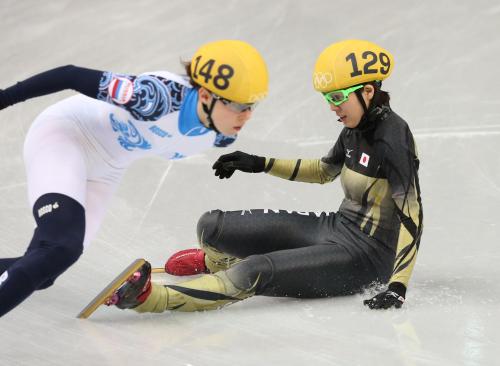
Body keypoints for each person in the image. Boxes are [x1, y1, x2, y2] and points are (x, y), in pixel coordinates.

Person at [108, 39, 423, 314]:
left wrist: (398, 285)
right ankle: (217, 265)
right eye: (327, 97)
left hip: (365, 259)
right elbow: (324, 170)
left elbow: (411, 212)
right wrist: (258, 162)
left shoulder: (393, 137)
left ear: (368, 91)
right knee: (211, 225)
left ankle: (152, 298)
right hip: (335, 227)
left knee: (255, 269)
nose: (331, 106)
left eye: (338, 97)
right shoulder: (353, 130)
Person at [0, 40, 269, 317]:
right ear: (204, 95)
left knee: (44, 271)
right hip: (67, 136)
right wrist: (4, 98)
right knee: (58, 249)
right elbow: (69, 74)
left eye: (253, 106)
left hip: (107, 170)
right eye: (238, 105)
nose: (246, 115)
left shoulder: (223, 133)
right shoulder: (156, 97)